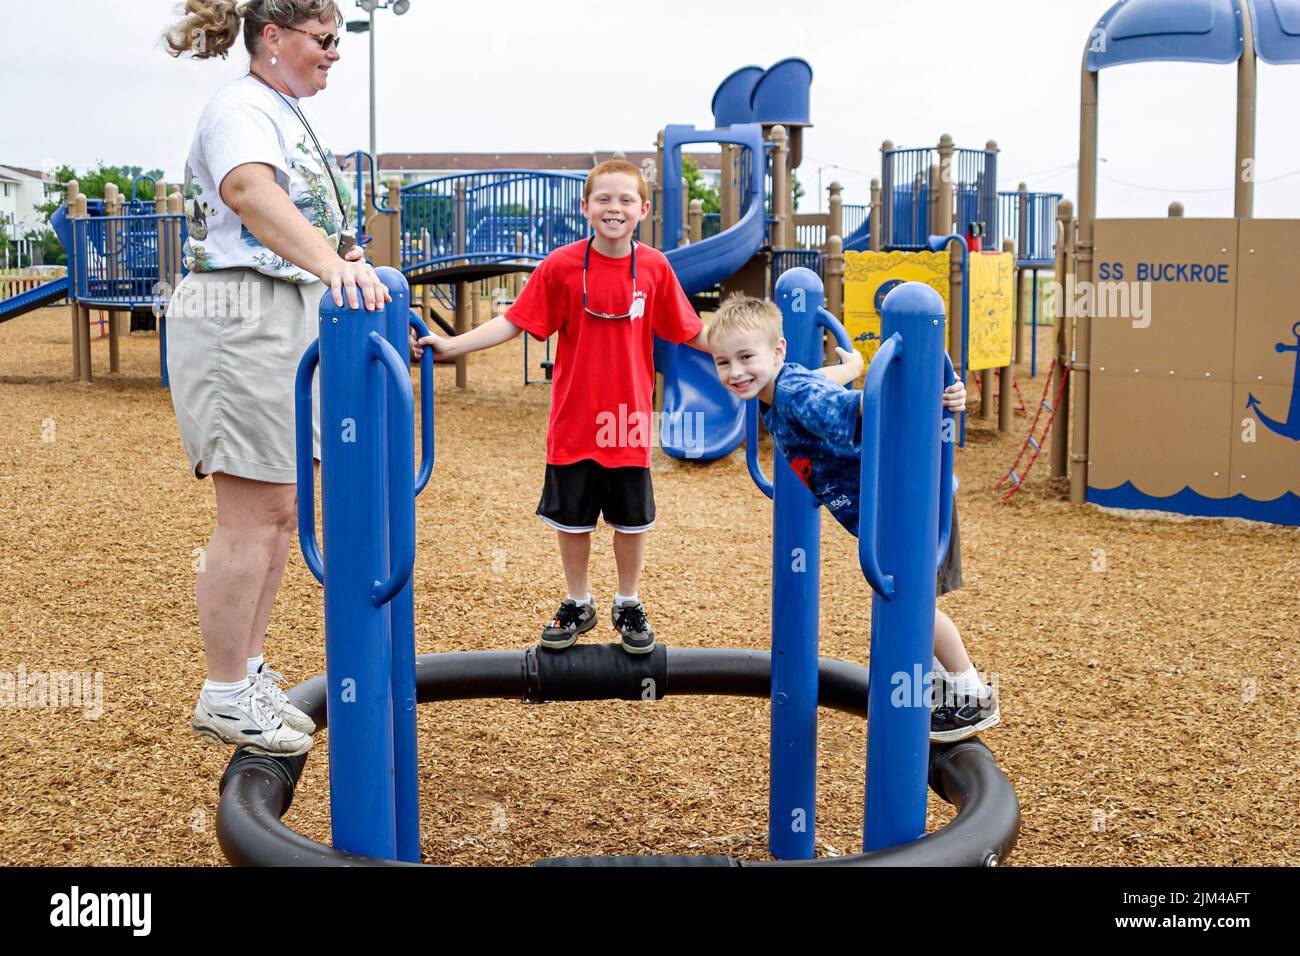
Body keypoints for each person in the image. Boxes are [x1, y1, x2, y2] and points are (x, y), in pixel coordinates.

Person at [163, 0, 390, 756]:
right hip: (240, 316)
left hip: (275, 313)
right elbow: (249, 193)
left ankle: (247, 672)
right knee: (253, 512)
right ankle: (224, 691)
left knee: (282, 508)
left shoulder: (281, 110)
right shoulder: (241, 106)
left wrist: (340, 257)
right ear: (273, 36)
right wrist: (330, 265)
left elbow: (294, 213)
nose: (335, 53)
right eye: (324, 39)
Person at [412, 160, 709, 654]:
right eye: (604, 199)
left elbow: (690, 330)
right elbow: (514, 321)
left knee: (631, 521)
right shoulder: (563, 265)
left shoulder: (654, 267)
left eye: (626, 200)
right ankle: (579, 601)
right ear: (585, 206)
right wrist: (451, 345)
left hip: (628, 421)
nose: (614, 208)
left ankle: (628, 600)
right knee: (573, 522)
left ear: (643, 210)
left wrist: (747, 351)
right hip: (574, 421)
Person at [707, 295, 999, 742]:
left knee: (912, 604)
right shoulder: (783, 385)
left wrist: (936, 396)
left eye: (746, 357)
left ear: (778, 351)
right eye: (723, 362)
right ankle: (945, 691)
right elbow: (817, 384)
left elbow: (850, 404)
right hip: (896, 501)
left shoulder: (791, 393)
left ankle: (972, 693)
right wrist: (851, 368)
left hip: (903, 503)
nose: (736, 371)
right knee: (907, 602)